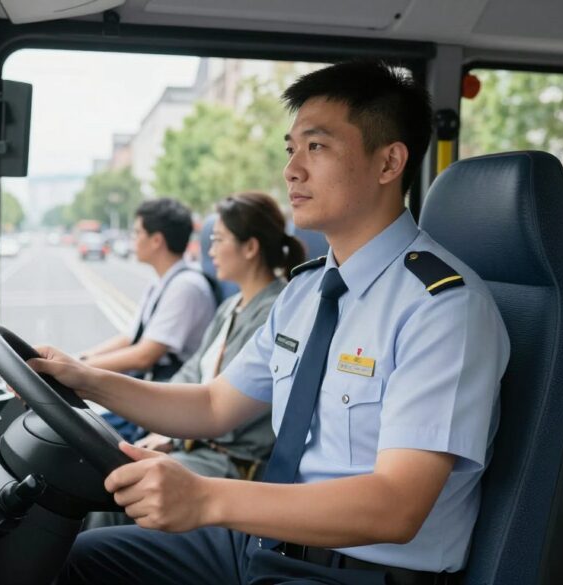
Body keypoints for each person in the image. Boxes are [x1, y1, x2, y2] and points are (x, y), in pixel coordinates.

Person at [32, 60, 510, 584]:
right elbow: (215, 404)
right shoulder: (305, 292)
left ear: (389, 162)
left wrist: (208, 498)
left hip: (358, 571)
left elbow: (396, 506)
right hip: (264, 545)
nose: (292, 170)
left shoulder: (442, 308)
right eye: (291, 149)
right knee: (76, 559)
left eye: (317, 147)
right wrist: (85, 379)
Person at [84, 191, 305, 530]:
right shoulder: (230, 307)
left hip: (231, 461)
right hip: (199, 444)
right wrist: (159, 426)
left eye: (218, 240)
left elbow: (230, 405)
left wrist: (172, 438)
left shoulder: (274, 312)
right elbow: (192, 371)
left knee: (120, 489)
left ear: (250, 247)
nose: (209, 251)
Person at [80, 198, 218, 440]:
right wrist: (83, 358)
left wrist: (79, 371)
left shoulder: (186, 287)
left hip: (169, 399)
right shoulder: (161, 282)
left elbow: (145, 355)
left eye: (137, 233)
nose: (133, 240)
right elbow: (131, 338)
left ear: (156, 241)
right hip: (152, 390)